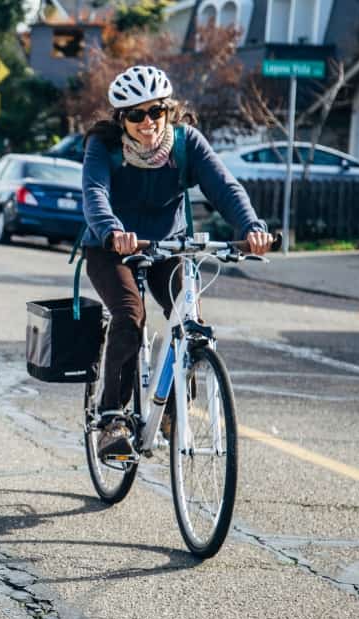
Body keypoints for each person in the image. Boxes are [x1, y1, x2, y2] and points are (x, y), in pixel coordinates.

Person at [81, 65, 272, 458]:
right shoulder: (104, 147)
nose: (147, 121)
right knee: (130, 316)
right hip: (110, 247)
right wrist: (112, 230)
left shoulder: (188, 144)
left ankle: (174, 407)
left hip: (168, 246)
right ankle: (112, 417)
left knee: (190, 318)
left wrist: (252, 226)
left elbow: (224, 188)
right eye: (136, 114)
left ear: (168, 110)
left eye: (156, 111)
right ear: (122, 118)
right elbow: (94, 193)